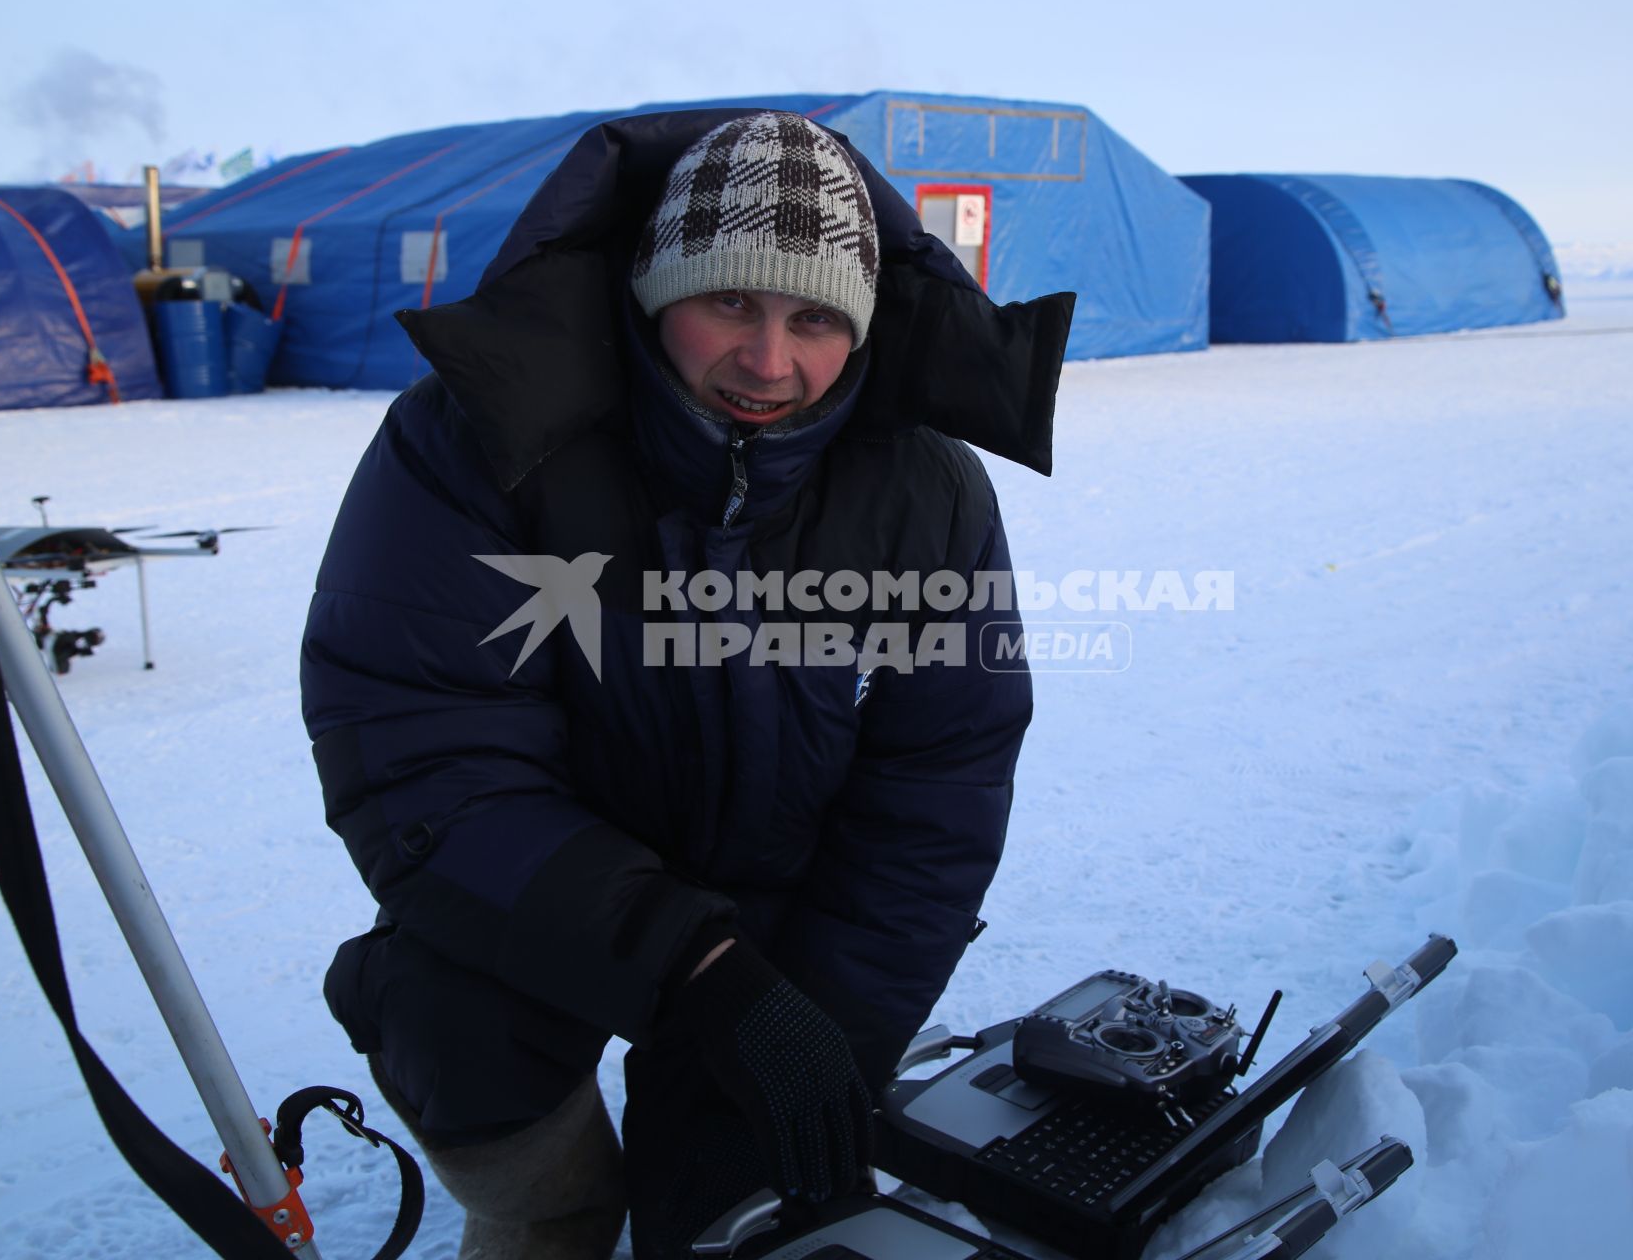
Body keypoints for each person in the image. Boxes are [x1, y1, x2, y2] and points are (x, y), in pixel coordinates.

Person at [302, 109, 1074, 1259]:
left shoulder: (927, 492)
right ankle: (550, 1206)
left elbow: (938, 786)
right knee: (459, 1029)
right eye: (731, 303)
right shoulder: (475, 442)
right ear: (655, 288)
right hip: (551, 893)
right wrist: (692, 965)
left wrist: (827, 1033)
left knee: (731, 1201)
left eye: (815, 318)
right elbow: (423, 758)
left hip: (786, 906)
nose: (770, 363)